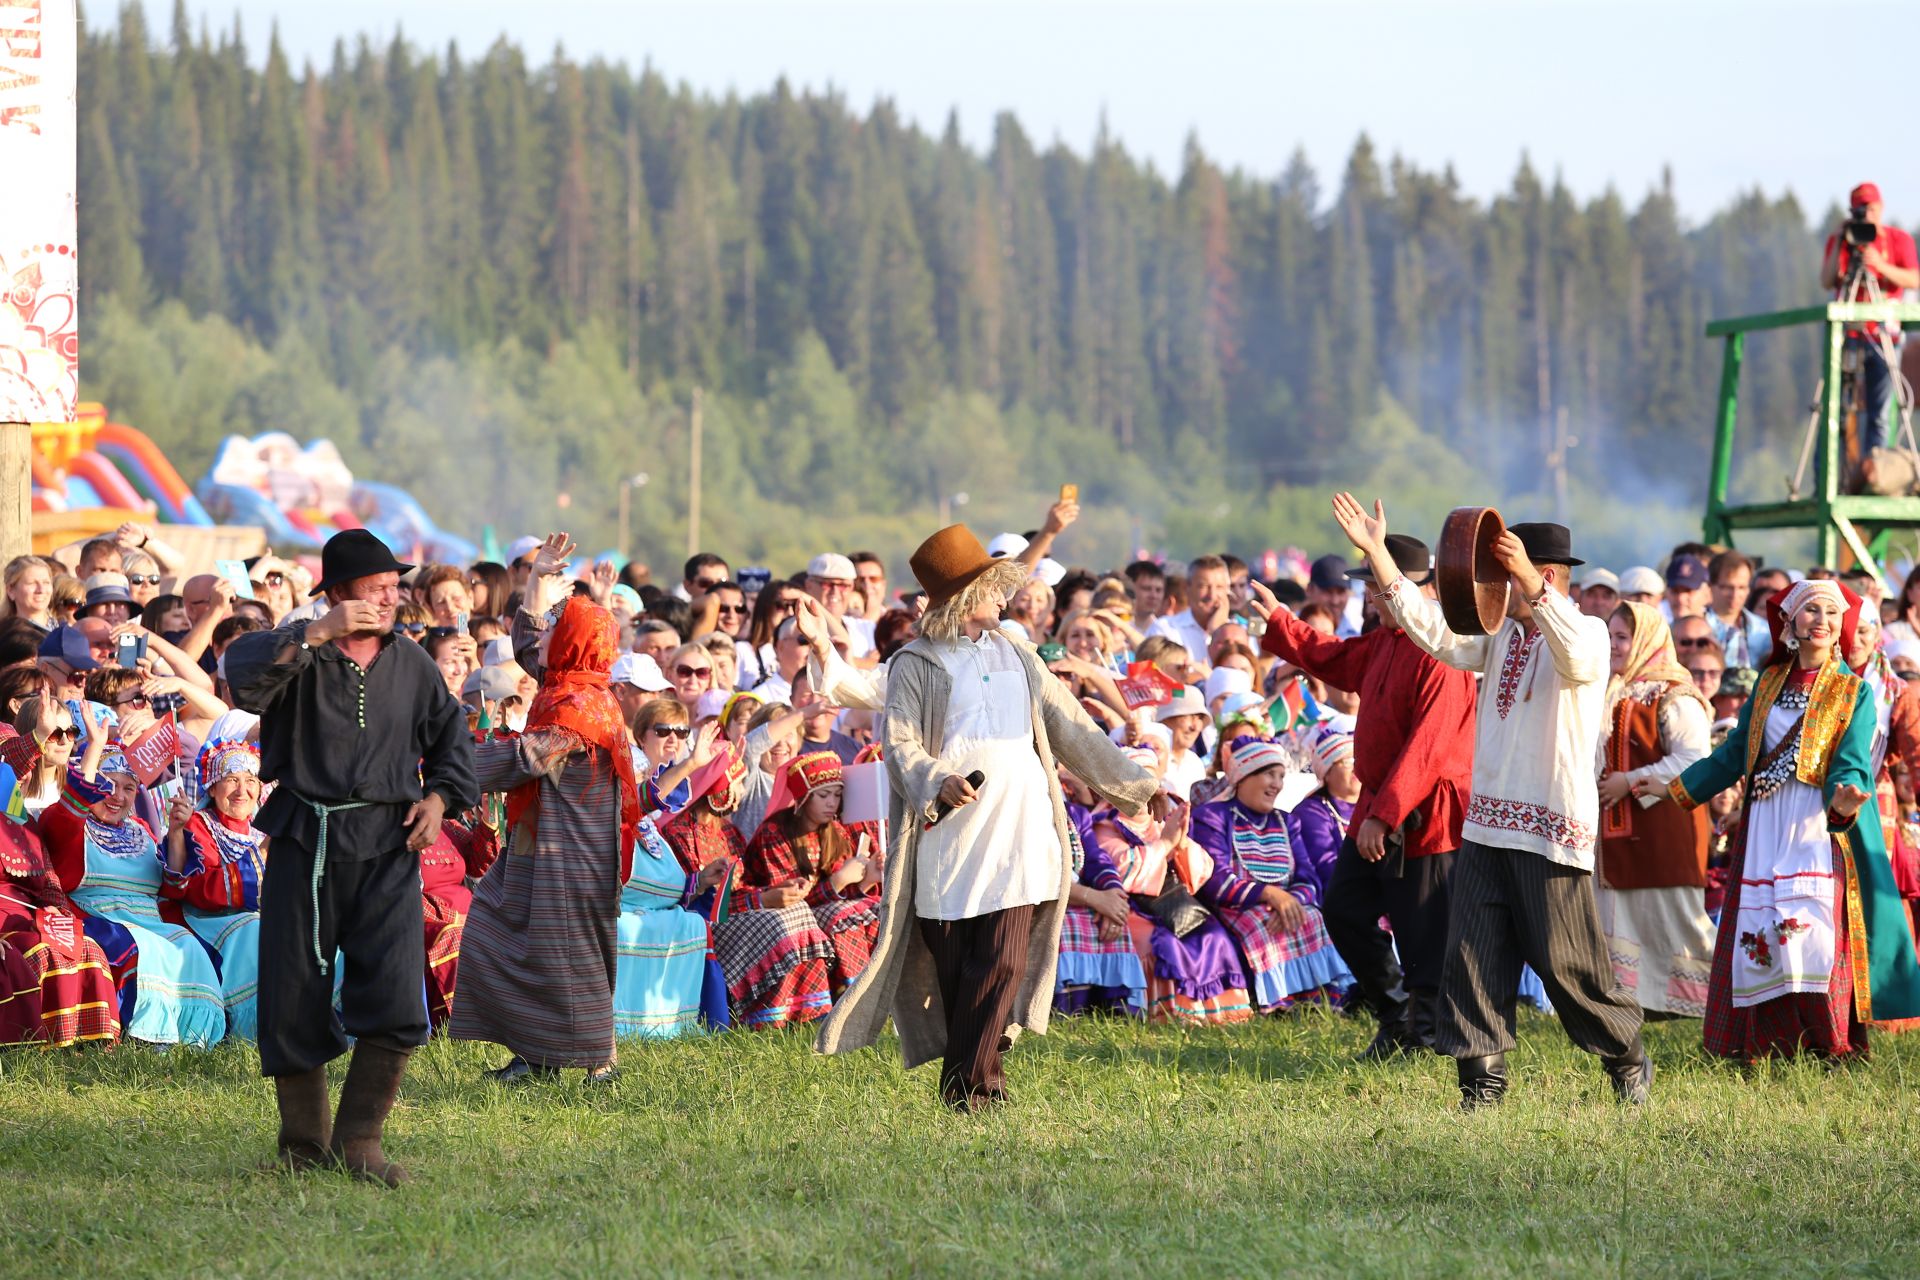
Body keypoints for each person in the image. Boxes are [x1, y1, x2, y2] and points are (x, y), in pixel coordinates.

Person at [814, 525, 1164, 1111]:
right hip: (947, 837)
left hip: (1022, 828)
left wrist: (1136, 786)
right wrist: (937, 781)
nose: (1003, 598)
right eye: (990, 587)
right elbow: (900, 746)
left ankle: (975, 1091)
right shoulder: (913, 664)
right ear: (961, 599)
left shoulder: (1019, 654)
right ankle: (971, 1079)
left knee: (1002, 959)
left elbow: (1072, 725)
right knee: (956, 968)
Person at [1335, 492, 1650, 1109]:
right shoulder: (1502, 635)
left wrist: (1529, 582)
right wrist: (1379, 556)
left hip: (1551, 828)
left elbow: (1579, 657)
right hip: (1485, 827)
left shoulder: (1583, 632)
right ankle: (1482, 1086)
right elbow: (1437, 632)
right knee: (1472, 956)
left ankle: (1625, 1054)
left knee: (1567, 966)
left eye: (1507, 573)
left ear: (1548, 576)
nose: (1496, 586)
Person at [225, 528, 480, 1186]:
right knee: (292, 993)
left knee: (397, 990)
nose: (392, 598)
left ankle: (360, 1141)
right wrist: (313, 632)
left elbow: (453, 735)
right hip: (305, 839)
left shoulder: (413, 662)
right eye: (377, 589)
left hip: (388, 845)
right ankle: (302, 1146)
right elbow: (242, 678)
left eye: (396, 587)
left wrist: (440, 800)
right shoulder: (297, 651)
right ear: (337, 594)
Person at [1653, 580, 1920, 1058]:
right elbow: (1735, 752)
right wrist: (1677, 788)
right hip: (1764, 824)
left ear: (1843, 625)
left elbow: (1854, 757)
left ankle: (1830, 1046)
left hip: (1814, 826)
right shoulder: (1770, 681)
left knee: (1813, 936)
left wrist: (1844, 798)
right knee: (1761, 933)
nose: (1822, 619)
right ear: (1790, 621)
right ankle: (1763, 1044)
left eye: (1832, 612)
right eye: (1811, 610)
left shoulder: (1852, 690)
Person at [455, 592, 711, 1078]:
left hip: (573, 856)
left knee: (571, 959)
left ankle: (601, 1064)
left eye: (557, 629)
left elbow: (522, 759)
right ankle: (536, 1058)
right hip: (544, 844)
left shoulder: (580, 708)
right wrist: (536, 581)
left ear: (574, 642)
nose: (543, 638)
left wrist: (446, 763)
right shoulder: (568, 684)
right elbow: (531, 648)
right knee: (505, 930)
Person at [1255, 532, 1477, 1058]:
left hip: (1427, 812)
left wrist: (1386, 813)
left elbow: (1429, 747)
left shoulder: (1440, 651)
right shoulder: (1383, 641)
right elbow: (1333, 658)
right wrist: (1281, 620)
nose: (1370, 599)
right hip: (1380, 806)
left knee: (1424, 927)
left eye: (1377, 588)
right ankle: (1395, 1014)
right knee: (1345, 909)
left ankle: (1425, 1033)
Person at [40, 703, 227, 1048]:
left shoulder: (140, 828)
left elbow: (172, 886)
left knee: (189, 947)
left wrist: (175, 833)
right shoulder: (71, 824)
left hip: (149, 919)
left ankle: (193, 1038)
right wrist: (95, 747)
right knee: (140, 949)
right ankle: (146, 1035)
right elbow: (68, 811)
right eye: (109, 785)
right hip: (97, 918)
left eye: (129, 788)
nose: (118, 796)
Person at [1593, 603, 1715, 1018]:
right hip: (1619, 831)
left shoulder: (1675, 695)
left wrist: (1629, 781)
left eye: (1623, 637)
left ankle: (1705, 1001)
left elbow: (1695, 758)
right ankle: (1638, 1002)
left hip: (1667, 828)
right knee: (1626, 916)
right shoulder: (1610, 688)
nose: (1614, 645)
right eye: (1610, 636)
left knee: (1674, 915)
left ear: (1646, 639)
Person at [1188, 737, 1353, 1011]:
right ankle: (1279, 1002)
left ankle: (1322, 998)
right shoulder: (1213, 816)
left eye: (1280, 775)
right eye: (1268, 774)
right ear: (1242, 776)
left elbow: (1308, 877)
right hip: (1236, 906)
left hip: (1285, 902)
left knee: (1315, 919)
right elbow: (1215, 879)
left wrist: (1291, 901)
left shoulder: (1287, 821)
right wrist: (1270, 894)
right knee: (1261, 924)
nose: (1277, 784)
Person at [161, 719, 268, 1041]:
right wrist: (265, 853)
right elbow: (200, 889)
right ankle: (255, 1030)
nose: (242, 790)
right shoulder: (198, 824)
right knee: (256, 929)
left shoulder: (262, 828)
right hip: (208, 918)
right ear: (212, 787)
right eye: (232, 780)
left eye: (250, 781)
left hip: (254, 913)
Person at [742, 752, 883, 995]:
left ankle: (873, 989)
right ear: (804, 797)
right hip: (776, 917)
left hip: (820, 911)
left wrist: (868, 879)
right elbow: (788, 901)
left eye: (838, 795)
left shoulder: (835, 830)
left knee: (875, 909)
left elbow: (842, 894)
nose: (832, 803)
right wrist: (838, 881)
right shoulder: (774, 833)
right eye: (824, 795)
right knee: (845, 916)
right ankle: (854, 993)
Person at [0, 808, 121, 1048]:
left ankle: (91, 1039)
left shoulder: (21, 818)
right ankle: (41, 1039)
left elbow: (49, 881)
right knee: (39, 951)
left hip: (32, 916)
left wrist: (54, 909)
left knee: (86, 946)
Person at [1819, 181, 1920, 460]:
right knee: (1834, 410)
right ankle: (1826, 477)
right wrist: (1841, 240)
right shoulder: (1843, 240)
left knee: (1880, 413)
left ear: (1881, 208)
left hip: (1883, 335)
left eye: (1871, 209)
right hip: (1847, 335)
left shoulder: (1897, 240)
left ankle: (1874, 475)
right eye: (1861, 211)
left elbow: (1913, 279)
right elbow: (1827, 281)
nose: (1867, 217)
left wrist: (1879, 265)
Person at [1145, 555, 1233, 665]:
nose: (1212, 595)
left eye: (1219, 587)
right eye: (1203, 586)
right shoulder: (1165, 629)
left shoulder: (1238, 634)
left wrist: (1217, 633)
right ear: (1187, 587)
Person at [1706, 551, 1770, 668]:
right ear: (1710, 585)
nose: (1734, 595)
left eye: (1741, 587)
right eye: (1727, 587)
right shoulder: (1696, 628)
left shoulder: (1763, 631)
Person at [2, 554, 53, 631]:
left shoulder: (65, 631)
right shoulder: (5, 635)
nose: (41, 590)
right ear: (11, 591)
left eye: (46, 582)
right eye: (32, 583)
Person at [1662, 555, 1710, 622]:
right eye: (1675, 591)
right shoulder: (1659, 630)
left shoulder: (1724, 631)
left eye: (1688, 590)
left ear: (1706, 593)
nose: (1680, 599)